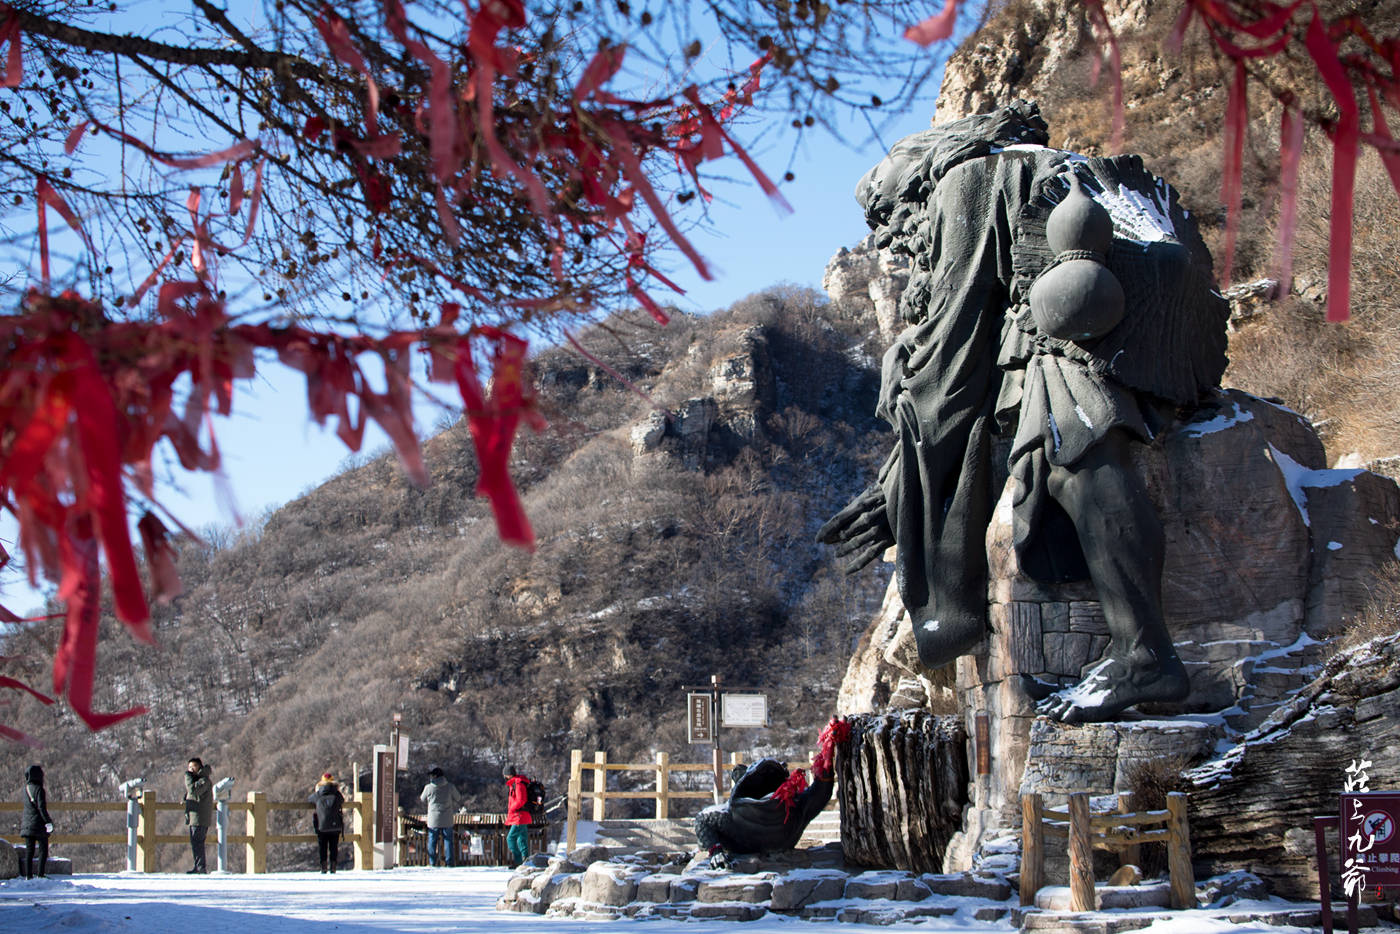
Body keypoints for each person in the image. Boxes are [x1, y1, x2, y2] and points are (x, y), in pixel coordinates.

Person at [819, 100, 1228, 724]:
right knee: (1054, 447)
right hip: (1151, 320)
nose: (892, 239)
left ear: (914, 184)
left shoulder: (966, 184)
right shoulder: (1041, 167)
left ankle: (1145, 653)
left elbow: (956, 344)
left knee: (1073, 452)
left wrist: (900, 487)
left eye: (890, 217)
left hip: (1082, 329)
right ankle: (1128, 650)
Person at [419, 766, 461, 867]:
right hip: (447, 818)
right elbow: (458, 798)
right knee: (448, 841)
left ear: (434, 776)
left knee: (432, 841)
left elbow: (422, 798)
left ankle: (432, 862)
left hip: (433, 818)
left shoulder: (428, 787)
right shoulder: (450, 786)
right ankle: (449, 862)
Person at [20, 764, 53, 879]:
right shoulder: (39, 789)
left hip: (27, 824)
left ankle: (28, 875)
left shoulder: (25, 789)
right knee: (43, 849)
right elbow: (41, 808)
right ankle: (40, 874)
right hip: (38, 825)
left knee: (29, 851)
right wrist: (48, 822)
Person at [310, 772, 345, 873]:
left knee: (322, 846)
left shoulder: (318, 794)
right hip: (335, 825)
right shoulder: (337, 794)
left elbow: (309, 799)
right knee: (334, 846)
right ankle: (333, 867)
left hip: (322, 825)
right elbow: (342, 800)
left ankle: (323, 867)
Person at [184, 757, 214, 874]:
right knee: (196, 842)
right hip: (195, 816)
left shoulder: (204, 780)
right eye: (189, 767)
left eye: (193, 767)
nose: (191, 769)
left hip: (200, 817)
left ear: (199, 767)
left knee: (198, 842)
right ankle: (198, 866)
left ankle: (201, 868)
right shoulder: (199, 780)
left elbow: (193, 790)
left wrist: (187, 776)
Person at [503, 764, 532, 869]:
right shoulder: (517, 783)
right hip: (522, 816)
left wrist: (512, 808)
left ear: (508, 775)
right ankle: (526, 860)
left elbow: (521, 800)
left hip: (519, 816)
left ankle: (518, 860)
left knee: (510, 838)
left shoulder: (518, 784)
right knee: (521, 839)